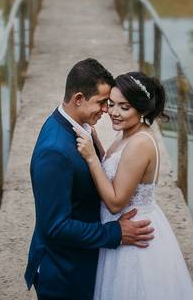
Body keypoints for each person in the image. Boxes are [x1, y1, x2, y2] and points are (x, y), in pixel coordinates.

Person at [25, 58, 155, 300]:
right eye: (102, 102)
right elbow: (55, 226)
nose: (107, 110)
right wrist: (115, 232)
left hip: (81, 260)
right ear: (78, 99)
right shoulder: (54, 151)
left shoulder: (78, 127)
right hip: (64, 272)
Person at [74, 71, 193, 299]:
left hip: (133, 234)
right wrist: (98, 147)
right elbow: (117, 167)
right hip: (122, 229)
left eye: (124, 107)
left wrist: (91, 158)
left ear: (142, 109)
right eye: (111, 104)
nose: (114, 112)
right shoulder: (128, 134)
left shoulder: (140, 143)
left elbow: (115, 202)